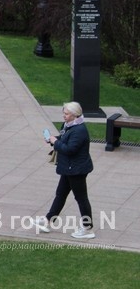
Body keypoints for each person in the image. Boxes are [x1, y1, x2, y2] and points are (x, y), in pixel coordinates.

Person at [32, 102, 96, 239]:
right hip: (69, 168)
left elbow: (70, 149)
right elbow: (64, 138)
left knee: (81, 198)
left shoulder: (79, 130)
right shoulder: (68, 125)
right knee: (60, 194)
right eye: (64, 113)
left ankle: (87, 228)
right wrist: (52, 139)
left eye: (66, 114)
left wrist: (56, 142)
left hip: (76, 170)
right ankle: (48, 221)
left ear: (74, 115)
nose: (64, 116)